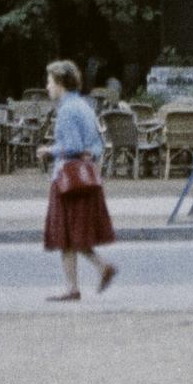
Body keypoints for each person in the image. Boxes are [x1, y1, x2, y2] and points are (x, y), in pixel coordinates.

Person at [39, 59, 118, 301]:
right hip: (85, 176)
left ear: (61, 83)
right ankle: (96, 270)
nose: (47, 86)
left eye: (50, 81)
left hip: (68, 178)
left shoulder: (66, 110)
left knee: (65, 232)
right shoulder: (84, 106)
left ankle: (75, 285)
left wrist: (48, 150)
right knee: (74, 232)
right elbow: (97, 144)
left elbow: (71, 145)